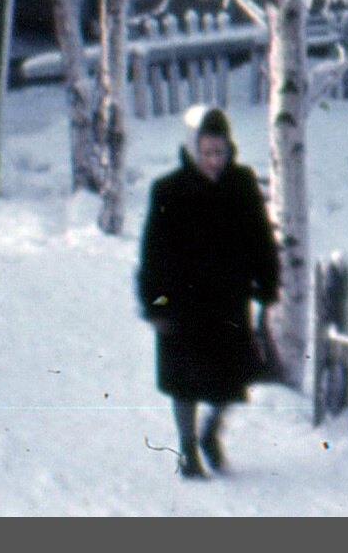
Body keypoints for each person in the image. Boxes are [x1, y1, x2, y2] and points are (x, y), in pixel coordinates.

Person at [135, 105, 281, 479]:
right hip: (182, 302)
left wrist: (267, 281)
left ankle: (210, 433)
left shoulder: (242, 184)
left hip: (229, 300)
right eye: (207, 152)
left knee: (232, 379)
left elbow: (261, 238)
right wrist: (155, 304)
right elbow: (152, 252)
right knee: (185, 381)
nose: (214, 160)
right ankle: (187, 450)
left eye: (220, 152)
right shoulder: (168, 190)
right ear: (192, 149)